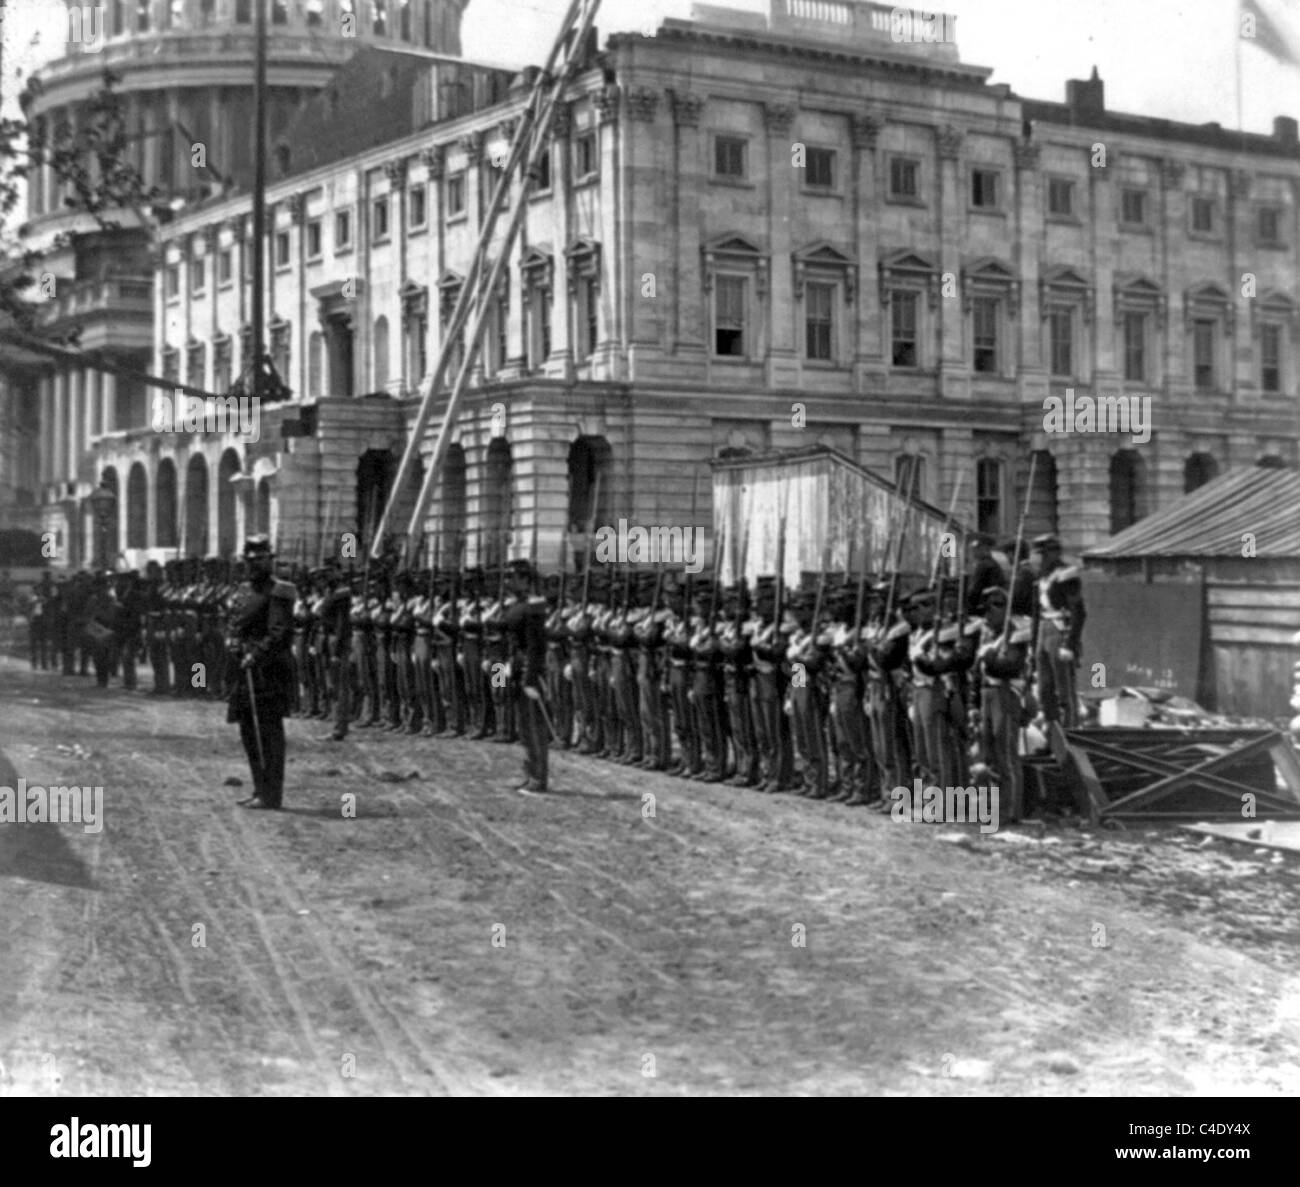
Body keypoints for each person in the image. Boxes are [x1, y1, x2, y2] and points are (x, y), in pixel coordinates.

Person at [225, 535, 296, 810]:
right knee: (248, 733)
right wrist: (230, 640)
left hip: (267, 673)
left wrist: (256, 655)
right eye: (250, 560)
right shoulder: (243, 590)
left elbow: (280, 633)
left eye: (259, 559)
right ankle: (259, 788)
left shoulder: (279, 591)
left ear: (270, 560)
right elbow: (234, 623)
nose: (253, 564)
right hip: (243, 672)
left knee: (269, 734)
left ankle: (272, 794)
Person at [1031, 534, 1086, 729]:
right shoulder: (1042, 576)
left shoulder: (1066, 574)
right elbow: (1038, 612)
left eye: (1044, 554)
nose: (1040, 559)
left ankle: (1070, 732)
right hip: (1044, 630)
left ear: (1054, 553)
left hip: (1059, 629)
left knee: (1064, 689)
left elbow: (1078, 612)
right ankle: (1052, 735)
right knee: (1044, 689)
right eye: (1039, 555)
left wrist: (1069, 643)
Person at [503, 560, 549, 793]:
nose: (508, 581)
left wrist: (531, 679)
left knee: (534, 727)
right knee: (523, 726)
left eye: (512, 577)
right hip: (514, 667)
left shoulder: (534, 606)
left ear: (525, 580)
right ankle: (530, 772)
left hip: (528, 672)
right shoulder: (515, 604)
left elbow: (535, 647)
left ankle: (539, 777)